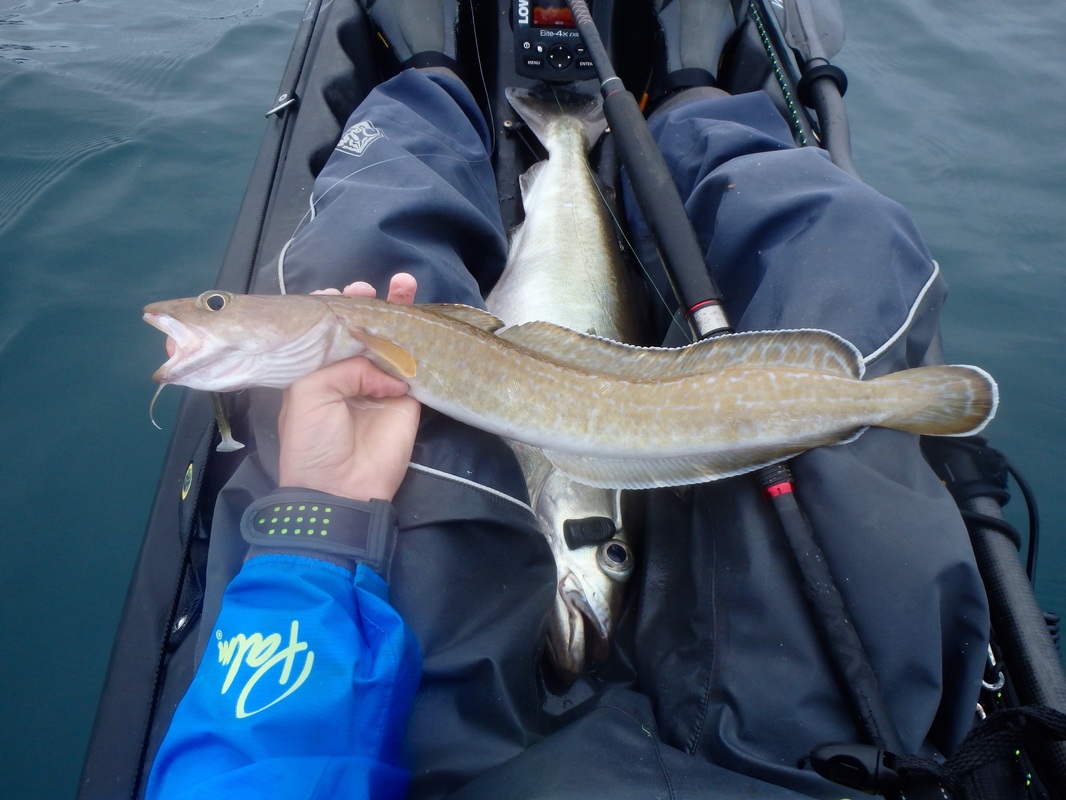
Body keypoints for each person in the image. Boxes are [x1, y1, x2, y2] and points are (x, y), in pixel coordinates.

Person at [147, 0, 992, 797]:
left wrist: (325, 524)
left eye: (216, 303)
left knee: (361, 235)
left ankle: (431, 79)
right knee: (846, 245)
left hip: (419, 714)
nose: (192, 310)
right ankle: (696, 100)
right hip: (795, 754)